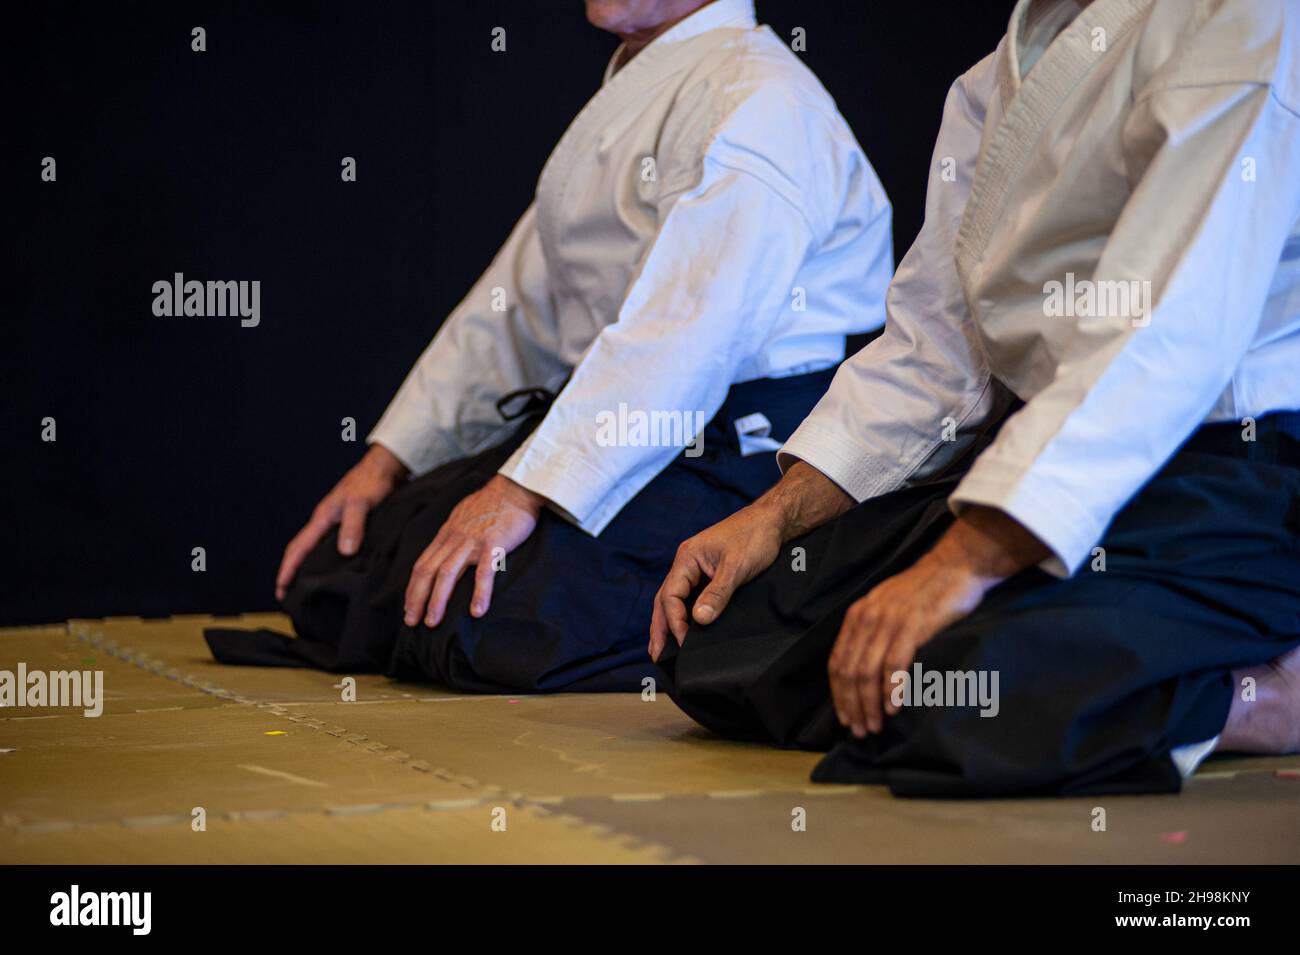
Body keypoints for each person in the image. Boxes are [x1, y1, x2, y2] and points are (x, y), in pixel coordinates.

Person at [651, 0, 1300, 796]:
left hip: (1227, 468)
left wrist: (959, 566)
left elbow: (1161, 338)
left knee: (964, 698)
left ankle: (1267, 697)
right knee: (723, 642)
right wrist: (773, 516)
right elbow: (934, 349)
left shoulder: (1242, 18)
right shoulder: (1002, 69)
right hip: (1038, 460)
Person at [205, 0, 893, 692]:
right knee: (343, 571)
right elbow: (516, 310)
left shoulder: (763, 102)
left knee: (484, 623)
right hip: (616, 423)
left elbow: (685, 339)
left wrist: (522, 488)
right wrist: (391, 459)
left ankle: (752, 624)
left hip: (736, 451)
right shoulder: (651, 83)